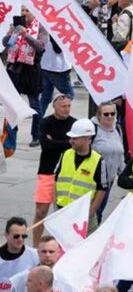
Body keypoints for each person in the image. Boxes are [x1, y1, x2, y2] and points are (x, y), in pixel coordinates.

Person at [33, 94, 75, 247]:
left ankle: (60, 246)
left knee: (63, 214)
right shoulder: (46, 122)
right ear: (54, 107)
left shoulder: (74, 123)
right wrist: (67, 143)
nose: (67, 109)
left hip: (67, 174)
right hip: (47, 171)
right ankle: (36, 246)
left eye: (69, 106)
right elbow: (46, 145)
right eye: (63, 106)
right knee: (41, 212)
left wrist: (56, 142)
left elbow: (76, 145)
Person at [3, 7, 47, 147]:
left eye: (27, 10)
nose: (24, 13)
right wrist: (10, 33)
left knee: (34, 104)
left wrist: (26, 34)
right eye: (22, 10)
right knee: (11, 104)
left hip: (31, 69)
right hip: (14, 67)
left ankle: (36, 135)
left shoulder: (40, 28)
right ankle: (11, 133)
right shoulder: (16, 26)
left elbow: (40, 47)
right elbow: (5, 44)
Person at [55, 119, 107, 232]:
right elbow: (55, 180)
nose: (71, 141)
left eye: (75, 138)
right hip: (62, 211)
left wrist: (91, 212)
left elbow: (102, 189)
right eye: (71, 138)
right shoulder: (65, 155)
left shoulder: (98, 160)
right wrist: (56, 205)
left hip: (83, 216)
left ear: (87, 138)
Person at [38, 37, 74, 118]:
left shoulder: (45, 26)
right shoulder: (59, 29)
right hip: (58, 67)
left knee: (45, 98)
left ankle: (37, 125)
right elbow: (57, 49)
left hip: (45, 65)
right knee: (69, 94)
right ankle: (59, 114)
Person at [0, 218, 38, 287]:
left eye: (24, 236)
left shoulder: (35, 256)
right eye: (16, 236)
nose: (20, 239)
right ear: (6, 235)